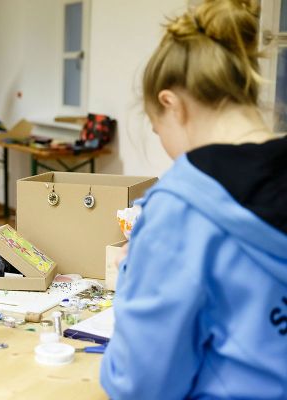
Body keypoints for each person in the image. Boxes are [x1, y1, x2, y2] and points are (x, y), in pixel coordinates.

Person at [100, 0, 287, 398]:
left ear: (172, 104)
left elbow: (141, 386)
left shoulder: (180, 209)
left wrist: (137, 272)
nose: (165, 146)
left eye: (156, 128)